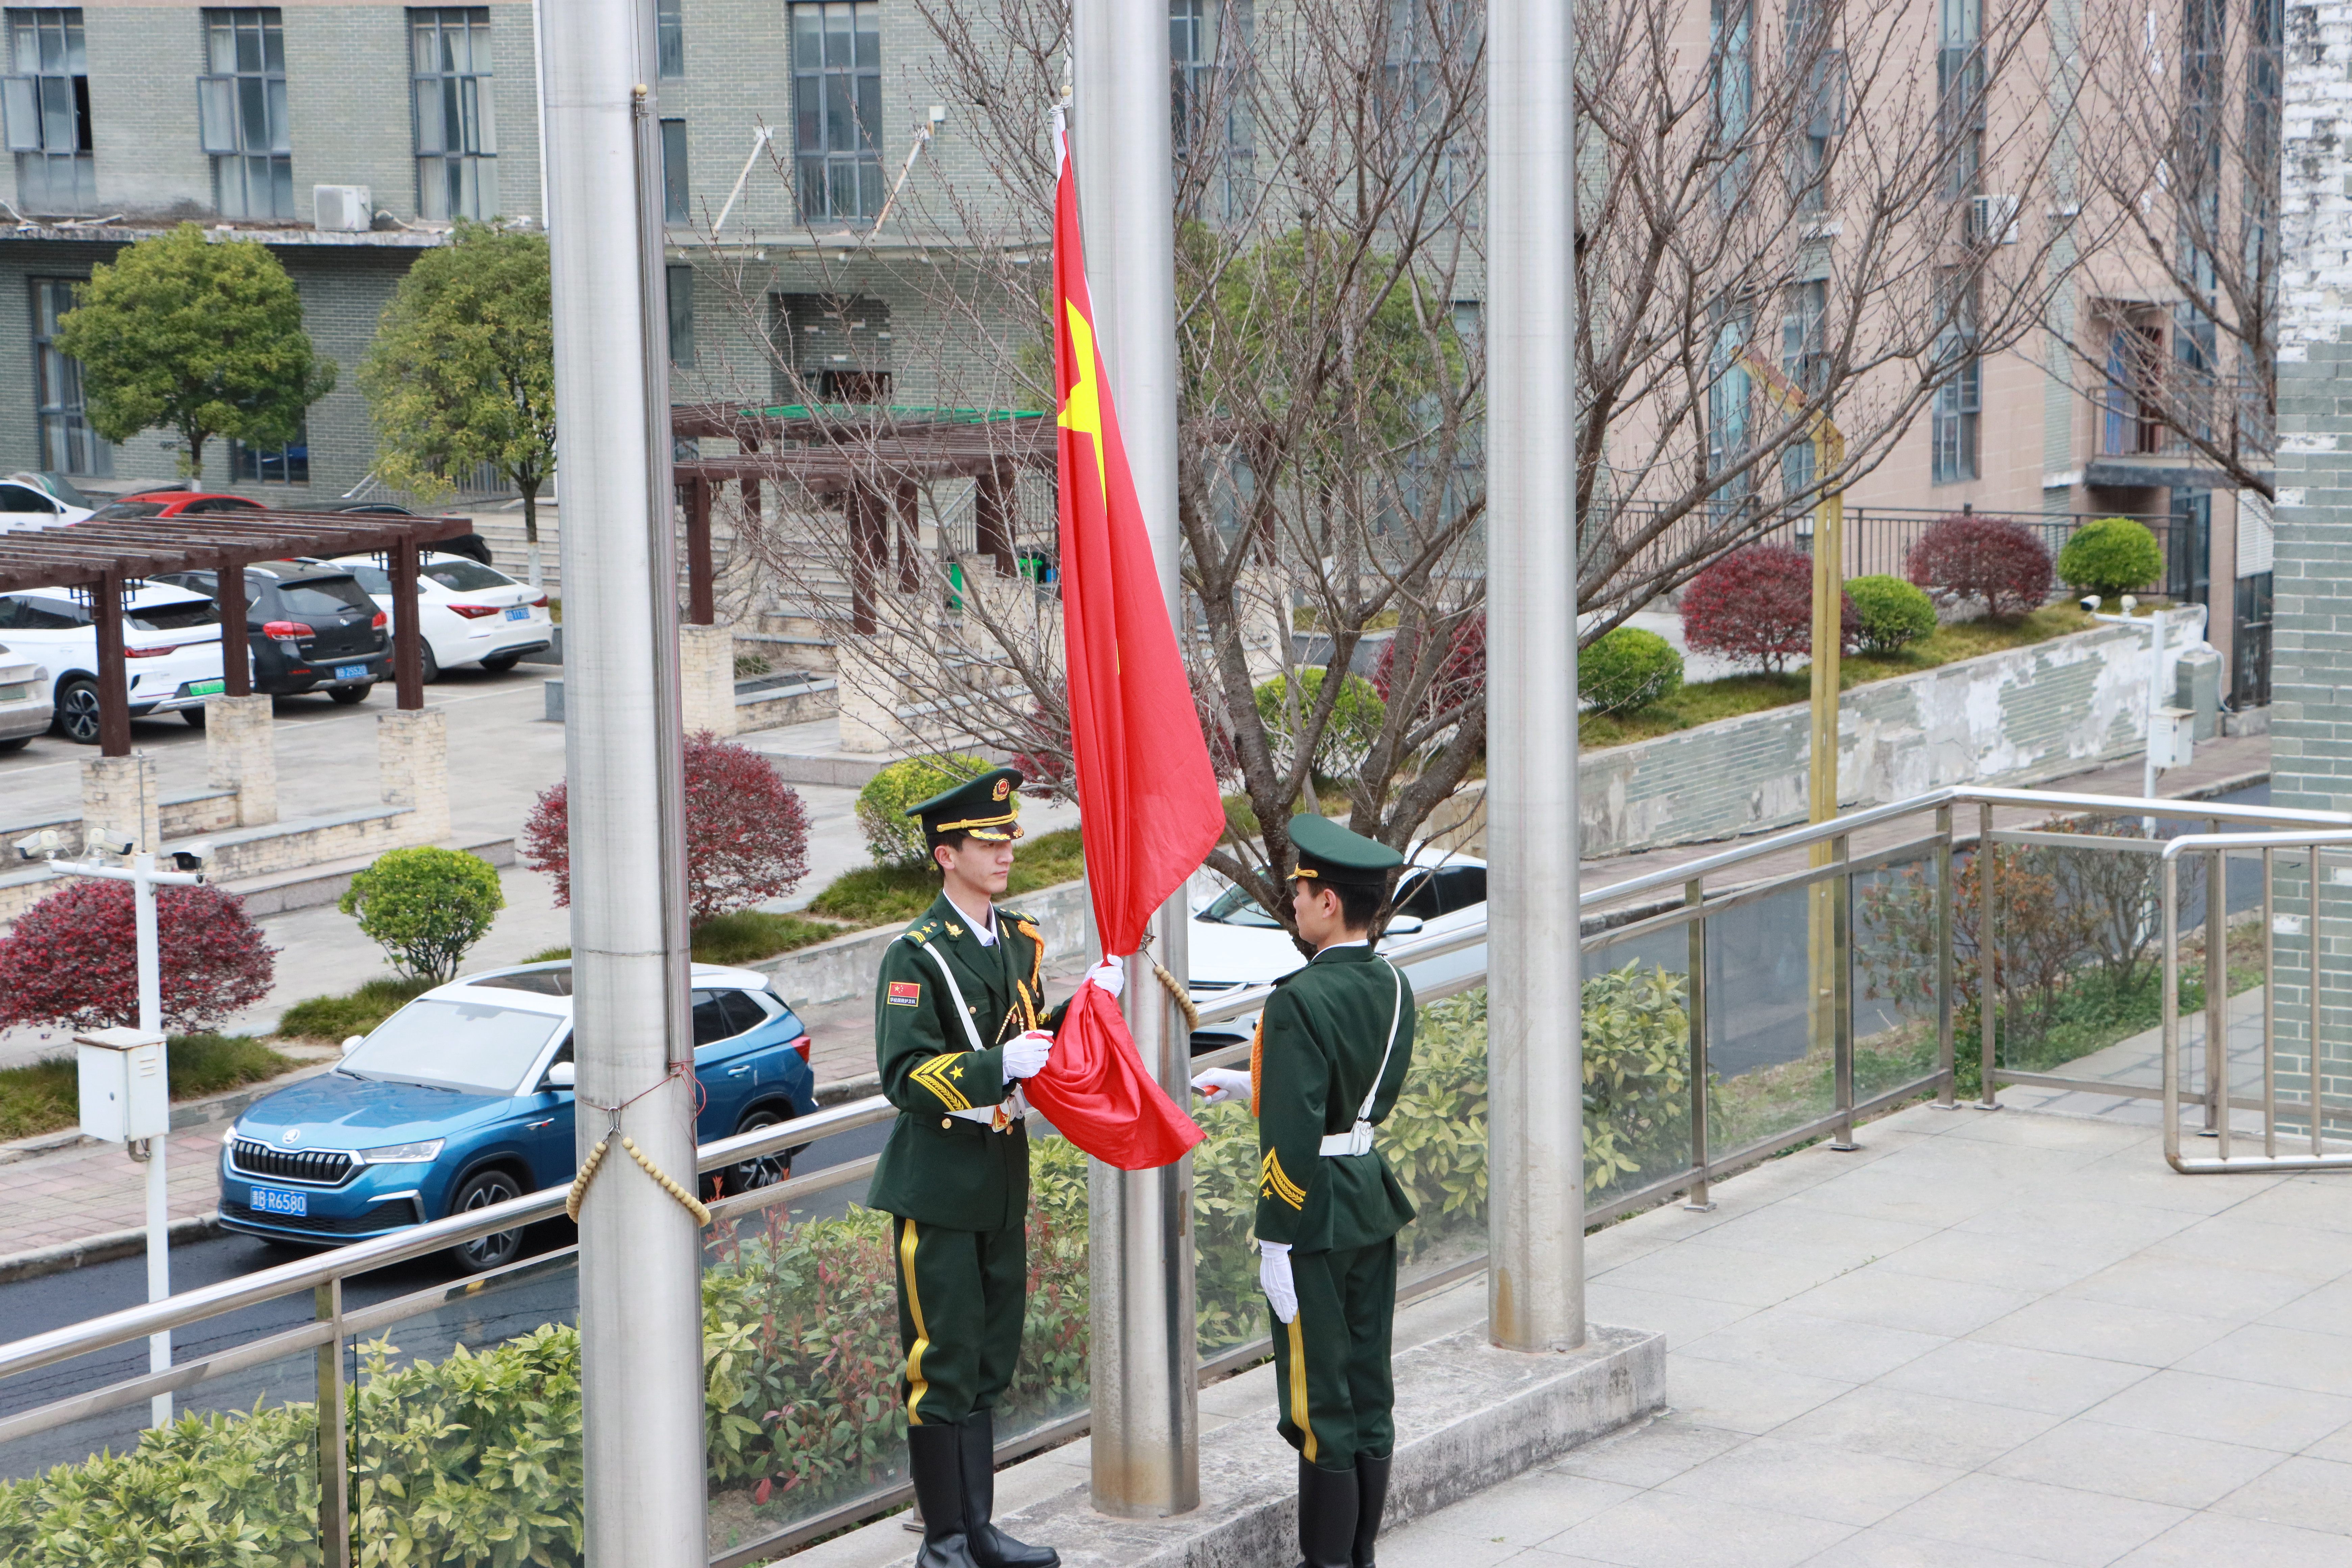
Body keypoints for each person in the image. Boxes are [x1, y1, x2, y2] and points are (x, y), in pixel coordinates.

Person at [868, 766, 1118, 1568]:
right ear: (946, 854)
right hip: (938, 1188)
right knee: (940, 1367)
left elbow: (1031, 1032)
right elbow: (904, 1075)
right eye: (987, 838)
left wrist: (1089, 1002)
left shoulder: (1018, 940)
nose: (1006, 849)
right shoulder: (917, 955)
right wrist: (990, 1065)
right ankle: (943, 1544)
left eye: (1009, 835)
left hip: (1000, 1181)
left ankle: (977, 1530)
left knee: (984, 1363)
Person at [1191, 815, 1417, 1568]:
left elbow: (1292, 1136)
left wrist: (1275, 1238)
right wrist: (1250, 1084)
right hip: (1365, 1193)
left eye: (1301, 890)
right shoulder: (1391, 982)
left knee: (1320, 1405)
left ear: (1328, 903)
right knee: (1367, 1390)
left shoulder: (1296, 999)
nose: (1293, 901)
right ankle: (1359, 1556)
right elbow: (1340, 1096)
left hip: (1312, 1213)